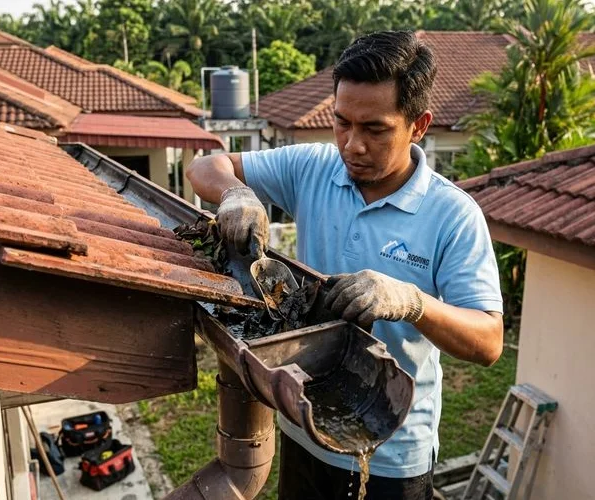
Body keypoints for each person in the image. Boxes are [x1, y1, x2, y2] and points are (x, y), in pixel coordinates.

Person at [187, 30, 503, 500]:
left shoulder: (452, 215)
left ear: (419, 126)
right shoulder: (313, 168)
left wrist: (414, 303)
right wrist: (236, 194)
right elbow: (205, 165)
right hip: (303, 424)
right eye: (342, 123)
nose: (352, 145)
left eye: (375, 129)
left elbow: (489, 341)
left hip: (392, 454)